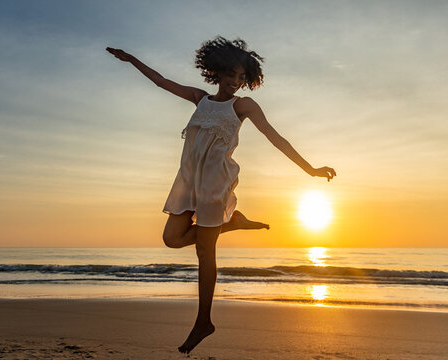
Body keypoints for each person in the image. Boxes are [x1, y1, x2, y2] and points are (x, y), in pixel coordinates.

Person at [106, 36, 336, 354]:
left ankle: (203, 321)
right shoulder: (200, 99)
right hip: (188, 182)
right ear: (217, 71)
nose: (235, 82)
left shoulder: (242, 106)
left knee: (205, 253)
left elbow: (275, 137)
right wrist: (132, 59)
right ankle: (234, 224)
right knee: (171, 239)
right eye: (231, 74)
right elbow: (160, 82)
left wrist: (310, 170)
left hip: (215, 184)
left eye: (242, 77)